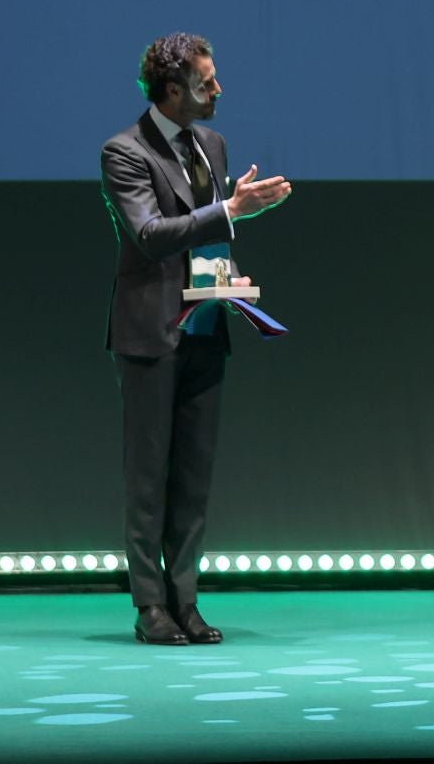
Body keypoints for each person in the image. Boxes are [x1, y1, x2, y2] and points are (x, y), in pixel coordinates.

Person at [101, 33, 291, 645]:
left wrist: (228, 279)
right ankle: (149, 607)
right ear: (173, 89)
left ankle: (186, 601)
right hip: (151, 333)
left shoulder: (211, 144)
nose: (218, 91)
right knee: (147, 476)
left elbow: (205, 238)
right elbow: (152, 235)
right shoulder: (124, 151)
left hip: (205, 327)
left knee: (192, 476)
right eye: (207, 82)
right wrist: (233, 211)